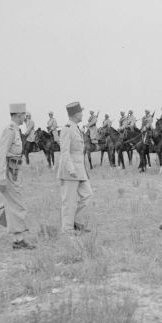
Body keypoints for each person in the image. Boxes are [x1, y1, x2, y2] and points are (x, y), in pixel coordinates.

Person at [0, 103, 35, 249]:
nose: (25, 116)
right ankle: (18, 241)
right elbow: (1, 154)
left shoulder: (16, 130)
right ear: (18, 115)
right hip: (9, 173)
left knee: (10, 202)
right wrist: (2, 178)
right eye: (24, 114)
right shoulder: (10, 130)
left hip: (15, 171)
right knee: (18, 205)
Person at [58, 101, 93, 236]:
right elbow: (65, 151)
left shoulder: (76, 127)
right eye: (81, 112)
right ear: (76, 114)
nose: (82, 114)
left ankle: (75, 221)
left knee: (88, 195)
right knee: (69, 201)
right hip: (70, 171)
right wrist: (70, 168)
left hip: (80, 171)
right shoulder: (67, 128)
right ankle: (67, 230)